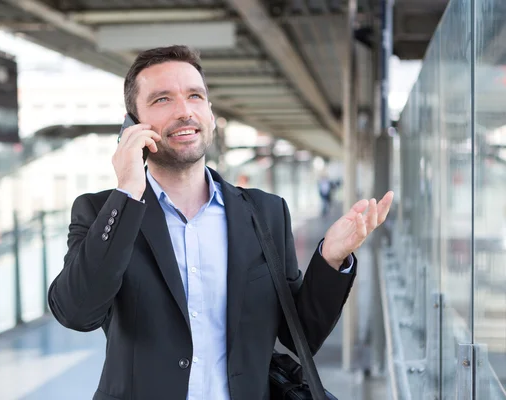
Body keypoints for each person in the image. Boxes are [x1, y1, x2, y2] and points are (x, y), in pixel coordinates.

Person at [48, 45, 394, 400]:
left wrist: (331, 258)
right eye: (162, 99)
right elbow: (77, 312)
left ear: (210, 115)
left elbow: (300, 335)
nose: (184, 111)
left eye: (195, 96)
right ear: (133, 125)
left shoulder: (265, 213)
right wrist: (127, 193)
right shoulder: (102, 212)